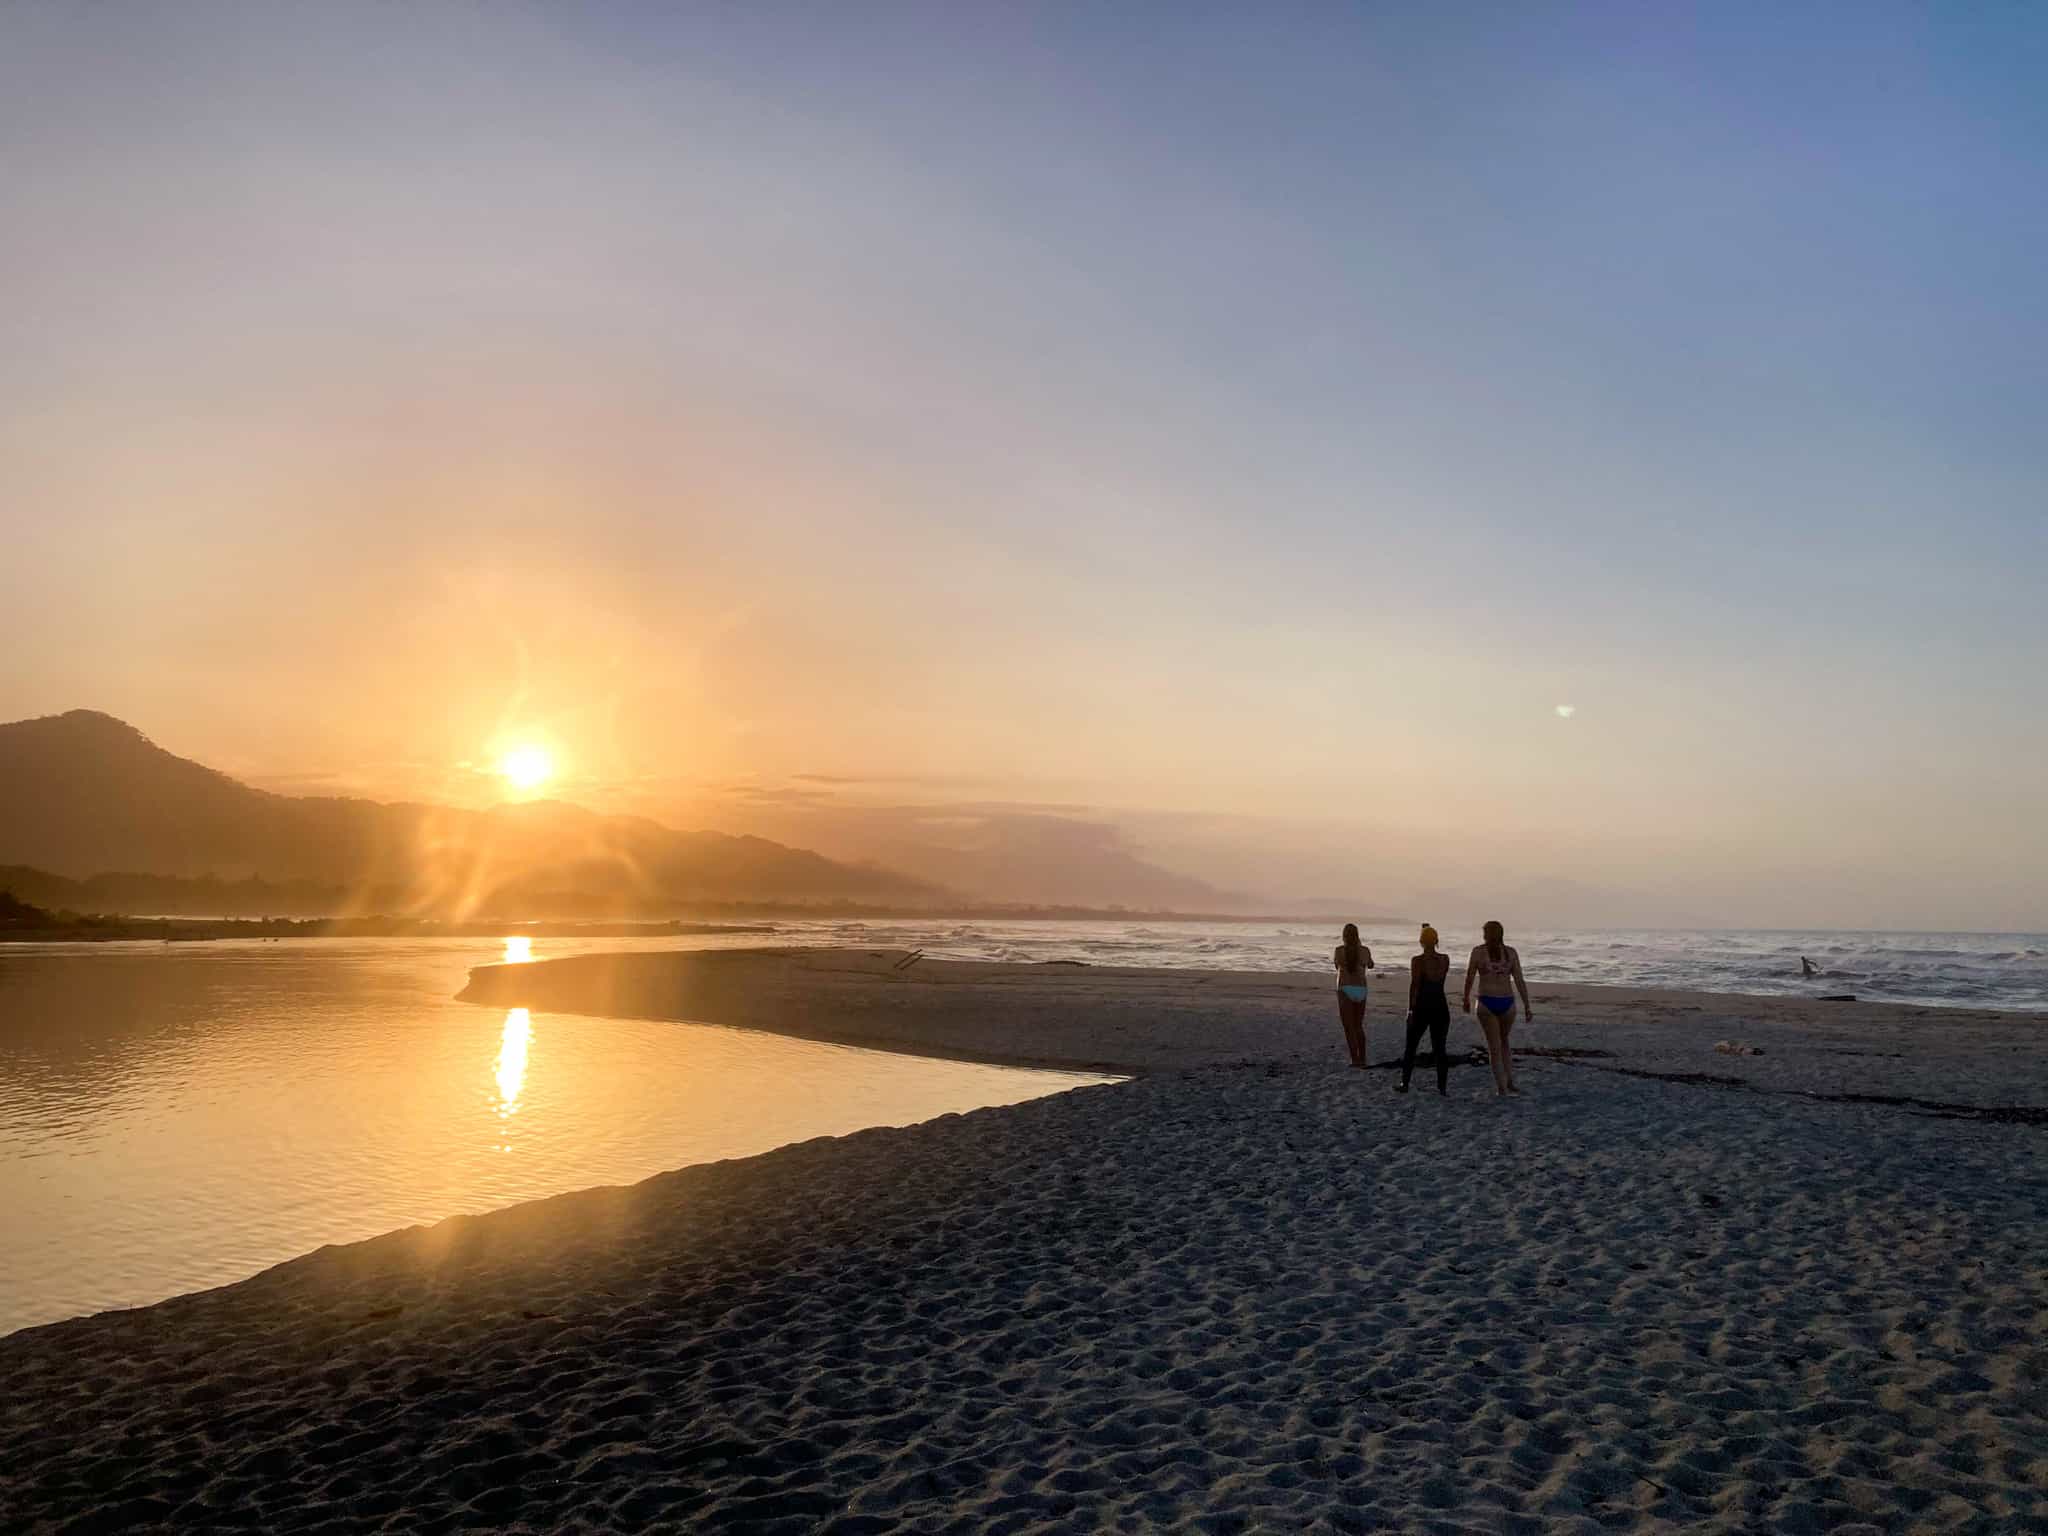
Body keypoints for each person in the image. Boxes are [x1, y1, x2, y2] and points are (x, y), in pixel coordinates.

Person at [1463, 920, 1532, 1096]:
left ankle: (1501, 1087)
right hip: (1507, 1003)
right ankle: (1509, 1082)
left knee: (1494, 1047)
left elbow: (1470, 977)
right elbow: (1519, 980)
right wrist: (1527, 1005)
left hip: (1486, 1002)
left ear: (1486, 935)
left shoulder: (1478, 952)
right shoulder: (1510, 953)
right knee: (1504, 1043)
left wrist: (1466, 998)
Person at [1398, 924, 1452, 1095]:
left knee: (1411, 1047)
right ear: (1436, 941)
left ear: (1421, 942)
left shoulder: (1418, 961)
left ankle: (1405, 1084)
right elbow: (1439, 979)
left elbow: (1414, 986)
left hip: (1422, 1006)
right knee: (1440, 1049)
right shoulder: (1445, 959)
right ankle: (1442, 1088)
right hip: (1440, 1006)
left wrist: (1410, 1010)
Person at [1333, 923, 1374, 1068]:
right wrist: (1360, 946)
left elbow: (1337, 966)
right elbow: (1370, 965)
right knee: (1358, 1026)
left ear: (1344, 936)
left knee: (1348, 1027)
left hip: (1344, 988)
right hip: (1360, 988)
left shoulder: (1339, 951)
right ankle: (1362, 1058)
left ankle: (1354, 1059)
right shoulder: (1364, 950)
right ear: (1357, 935)